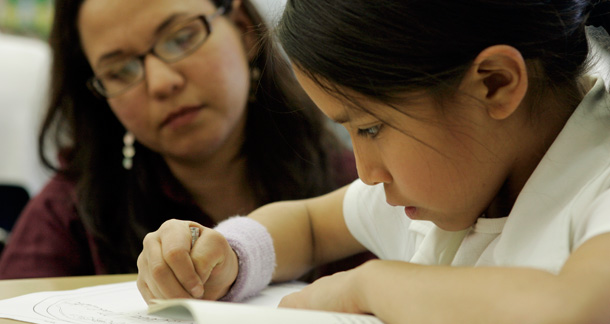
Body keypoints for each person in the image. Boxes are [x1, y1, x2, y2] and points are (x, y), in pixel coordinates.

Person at [136, 0, 610, 322]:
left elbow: (574, 310)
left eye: (370, 128)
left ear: (495, 84)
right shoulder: (457, 179)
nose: (365, 171)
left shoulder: (598, 183)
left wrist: (369, 286)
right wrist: (228, 254)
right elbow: (310, 225)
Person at [0, 0, 365, 279]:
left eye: (181, 38)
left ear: (243, 29)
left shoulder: (365, 187)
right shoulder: (66, 221)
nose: (161, 83)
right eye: (121, 70)